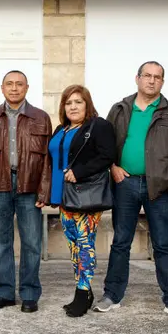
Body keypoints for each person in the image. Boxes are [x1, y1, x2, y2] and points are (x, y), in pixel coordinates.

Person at [93, 61, 168, 318]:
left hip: (158, 188)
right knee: (120, 242)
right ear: (137, 78)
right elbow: (104, 147)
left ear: (162, 82)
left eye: (157, 77)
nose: (151, 80)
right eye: (147, 75)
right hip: (124, 184)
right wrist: (113, 167)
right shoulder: (120, 109)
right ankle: (111, 295)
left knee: (163, 244)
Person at [0, 70, 52, 314]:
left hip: (29, 185)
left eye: (19, 84)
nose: (14, 88)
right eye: (9, 84)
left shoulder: (40, 117)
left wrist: (44, 190)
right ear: (2, 88)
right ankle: (3, 292)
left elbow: (47, 159)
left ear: (27, 88)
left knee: (31, 242)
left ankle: (29, 294)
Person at [48, 85, 116, 317]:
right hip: (63, 196)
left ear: (87, 104)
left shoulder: (99, 126)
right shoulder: (61, 129)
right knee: (74, 246)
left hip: (85, 195)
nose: (73, 107)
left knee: (85, 244)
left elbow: (107, 155)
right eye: (68, 103)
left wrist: (79, 171)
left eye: (78, 102)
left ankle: (82, 292)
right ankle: (84, 291)